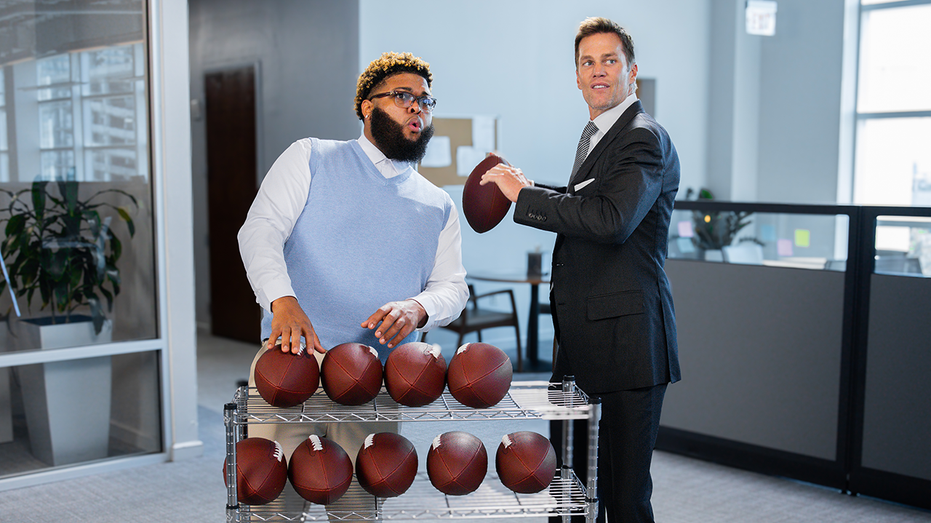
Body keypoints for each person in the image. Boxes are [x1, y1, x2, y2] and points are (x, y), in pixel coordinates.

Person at [238, 51, 468, 508]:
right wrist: (282, 300)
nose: (417, 107)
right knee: (275, 507)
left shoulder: (438, 203)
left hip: (375, 379)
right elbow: (260, 230)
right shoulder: (311, 157)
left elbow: (453, 286)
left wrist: (418, 307)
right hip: (291, 364)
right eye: (402, 96)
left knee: (358, 510)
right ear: (367, 106)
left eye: (425, 100)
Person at [480, 17, 680, 523]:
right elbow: (589, 202)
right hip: (582, 345)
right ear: (576, 76)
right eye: (587, 62)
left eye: (610, 60)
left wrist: (525, 198)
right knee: (568, 489)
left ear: (632, 71)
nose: (598, 70)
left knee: (624, 497)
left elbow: (612, 219)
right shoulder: (598, 136)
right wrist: (532, 189)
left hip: (628, 347)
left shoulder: (643, 138)